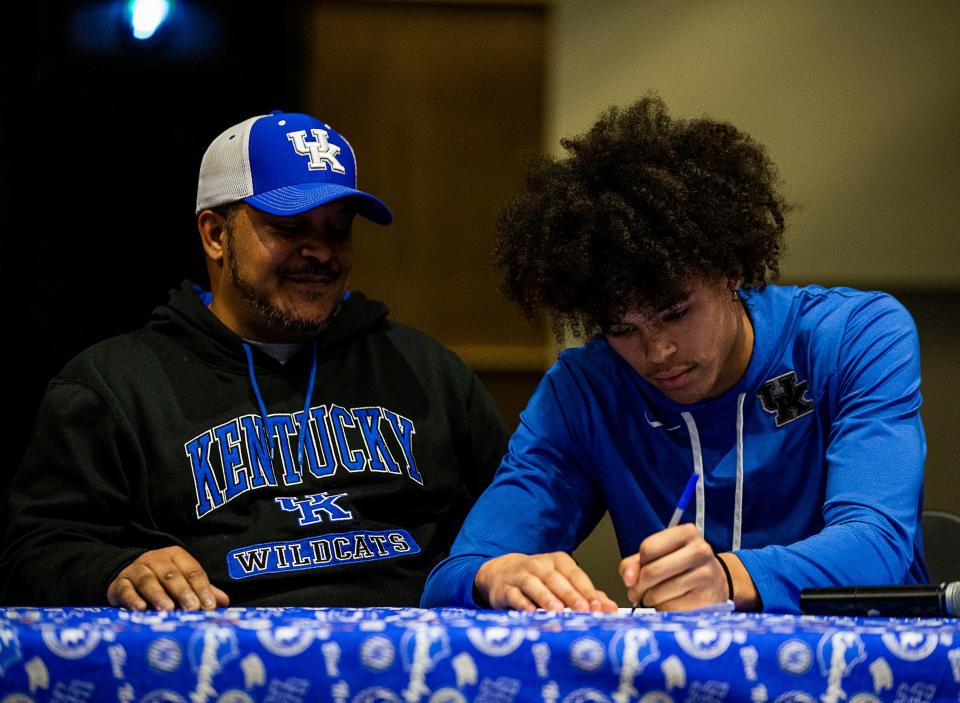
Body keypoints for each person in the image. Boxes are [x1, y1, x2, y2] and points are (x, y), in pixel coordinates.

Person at [421, 94, 927, 614]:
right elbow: (453, 576)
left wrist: (727, 577)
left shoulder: (854, 335)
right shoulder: (585, 390)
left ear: (731, 268)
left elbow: (878, 545)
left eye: (676, 312)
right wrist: (495, 574)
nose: (657, 351)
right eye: (622, 328)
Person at [0, 110, 508, 610]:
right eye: (289, 226)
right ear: (215, 235)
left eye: (338, 230)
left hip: (413, 666)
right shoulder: (114, 386)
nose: (321, 253)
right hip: (212, 670)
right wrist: (113, 571)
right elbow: (36, 552)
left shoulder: (425, 371)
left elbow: (512, 511)